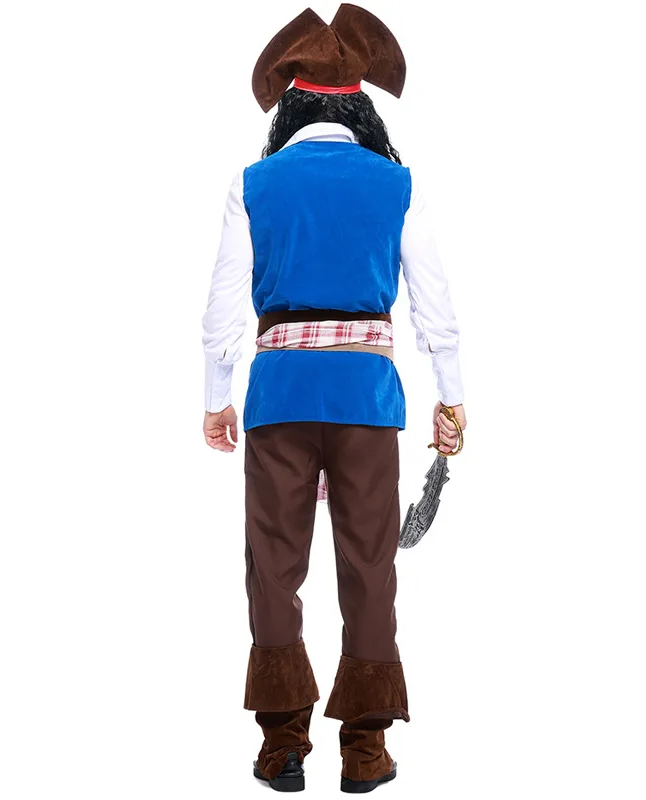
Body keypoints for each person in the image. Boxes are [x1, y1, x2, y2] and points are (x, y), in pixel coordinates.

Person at [201, 4, 467, 793]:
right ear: (361, 108)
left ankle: (282, 744)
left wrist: (217, 398)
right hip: (366, 404)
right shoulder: (396, 185)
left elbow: (221, 310)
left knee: (272, 569)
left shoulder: (255, 184)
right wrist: (451, 399)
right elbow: (435, 306)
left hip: (278, 400)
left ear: (289, 106)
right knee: (370, 569)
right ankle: (366, 748)